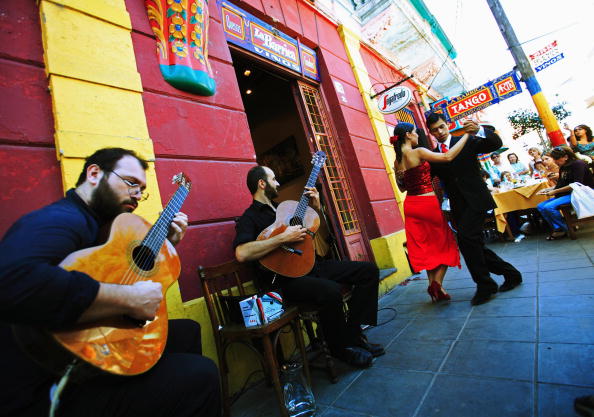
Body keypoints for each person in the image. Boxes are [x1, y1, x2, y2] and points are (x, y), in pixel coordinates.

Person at [0, 148, 221, 417]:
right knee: (202, 375)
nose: (138, 195)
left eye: (142, 189)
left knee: (186, 331)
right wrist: (129, 299)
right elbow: (13, 281)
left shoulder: (102, 227)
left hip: (84, 350)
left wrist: (167, 246)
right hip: (48, 385)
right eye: (131, 183)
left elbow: (115, 271)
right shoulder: (63, 219)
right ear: (94, 174)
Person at [233, 166, 383, 368]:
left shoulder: (284, 208)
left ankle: (354, 336)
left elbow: (311, 233)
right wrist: (282, 238)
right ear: (262, 183)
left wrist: (318, 206)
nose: (278, 183)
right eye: (274, 179)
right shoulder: (249, 218)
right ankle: (340, 349)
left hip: (311, 266)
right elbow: (242, 253)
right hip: (283, 281)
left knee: (369, 271)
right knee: (330, 290)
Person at [426, 113, 522, 305]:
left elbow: (494, 144)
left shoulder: (465, 140)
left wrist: (479, 130)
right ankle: (511, 274)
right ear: (431, 133)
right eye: (435, 130)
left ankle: (485, 285)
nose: (440, 132)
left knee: (466, 239)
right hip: (458, 205)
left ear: (448, 125)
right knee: (472, 244)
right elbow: (425, 177)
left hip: (478, 200)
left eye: (442, 127)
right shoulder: (434, 156)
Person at [391, 122, 465, 302]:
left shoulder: (397, 161)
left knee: (428, 247)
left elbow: (401, 189)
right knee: (445, 243)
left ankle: (435, 288)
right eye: (415, 133)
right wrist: (465, 136)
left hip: (411, 205)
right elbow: (447, 157)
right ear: (408, 135)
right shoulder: (418, 152)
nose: (417, 136)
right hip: (427, 203)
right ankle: (437, 283)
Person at [536, 146, 594, 240]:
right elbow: (562, 183)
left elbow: (577, 184)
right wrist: (549, 189)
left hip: (581, 193)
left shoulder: (577, 164)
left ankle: (567, 229)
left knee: (549, 207)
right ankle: (559, 228)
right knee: (540, 206)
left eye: (557, 159)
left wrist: (555, 191)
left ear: (566, 157)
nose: (555, 162)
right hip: (569, 193)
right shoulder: (563, 166)